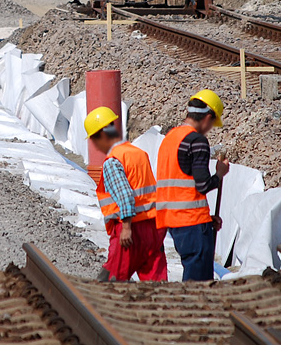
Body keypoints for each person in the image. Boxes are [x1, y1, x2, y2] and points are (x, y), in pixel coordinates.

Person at [86, 106, 167, 282]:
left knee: (112, 281)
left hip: (131, 229)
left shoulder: (113, 161)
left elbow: (125, 195)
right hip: (154, 227)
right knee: (157, 284)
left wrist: (127, 228)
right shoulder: (138, 153)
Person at [156, 90, 230, 281]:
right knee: (198, 284)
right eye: (213, 123)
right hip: (191, 222)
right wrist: (219, 174)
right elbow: (203, 184)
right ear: (207, 117)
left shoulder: (170, 138)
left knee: (192, 276)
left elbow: (180, 184)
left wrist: (206, 219)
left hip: (173, 222)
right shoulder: (197, 141)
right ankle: (191, 311)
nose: (210, 128)